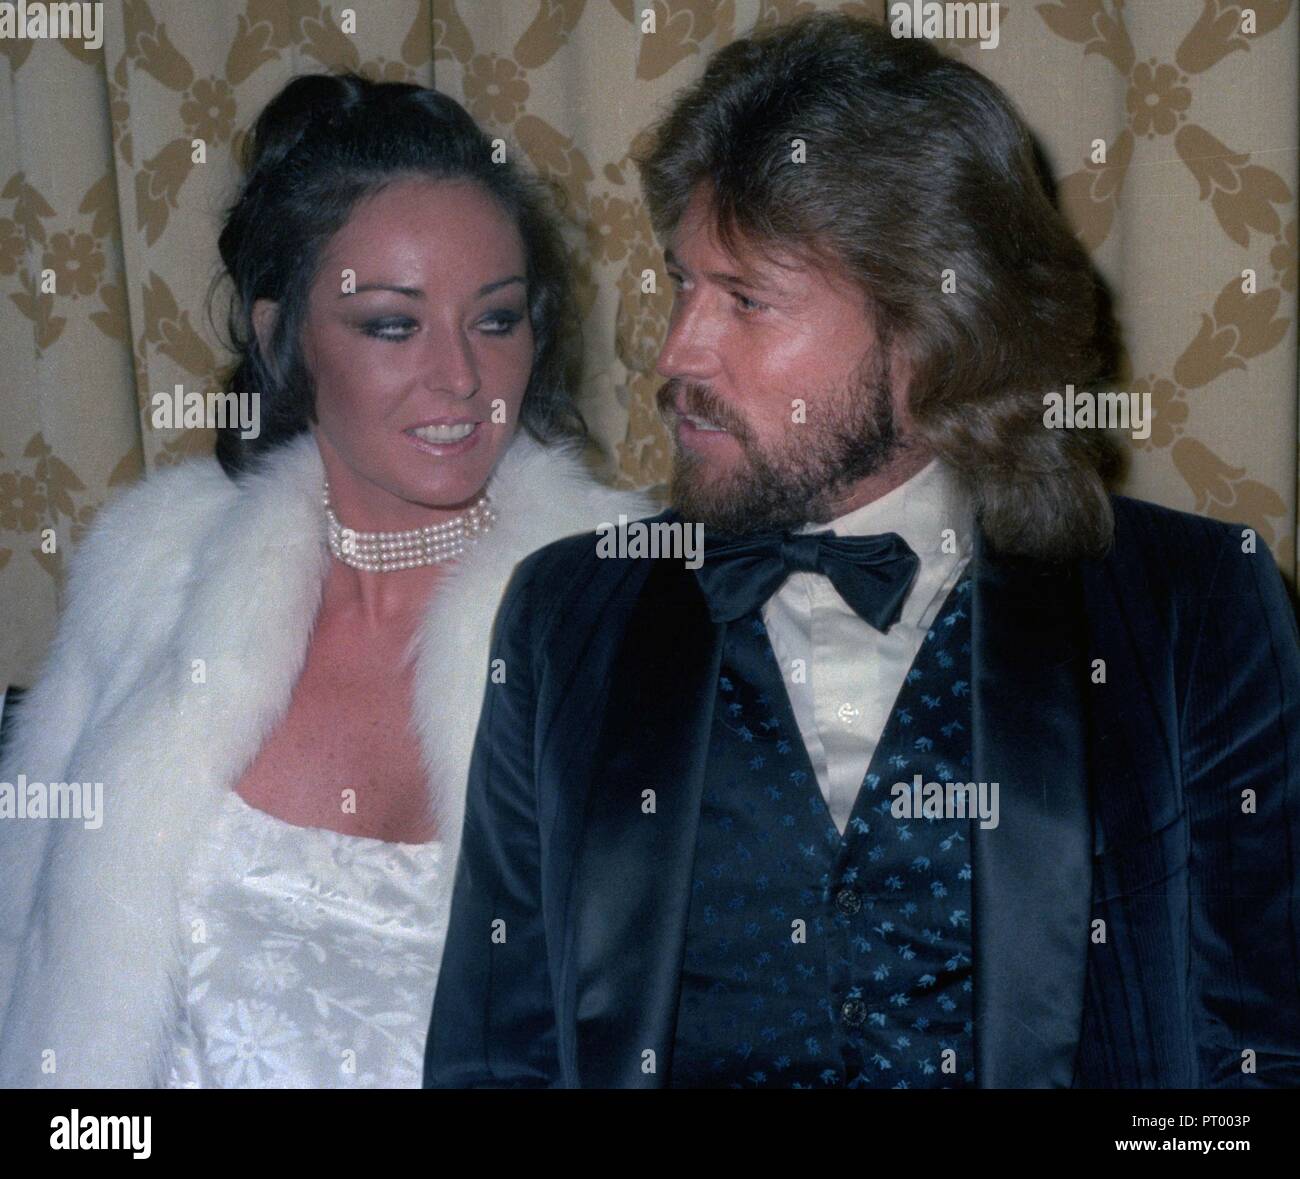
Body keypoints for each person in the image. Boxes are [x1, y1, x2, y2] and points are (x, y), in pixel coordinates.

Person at [425, 13, 1300, 1089]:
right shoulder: (569, 612)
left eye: (746, 300)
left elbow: (1259, 1058)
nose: (675, 352)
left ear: (931, 337)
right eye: (680, 283)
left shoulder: (1187, 607)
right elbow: (491, 1056)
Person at [0, 73, 651, 1088]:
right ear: (280, 337)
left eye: (496, 320)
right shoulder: (152, 580)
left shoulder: (630, 617)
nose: (460, 380)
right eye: (392, 325)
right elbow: (29, 979)